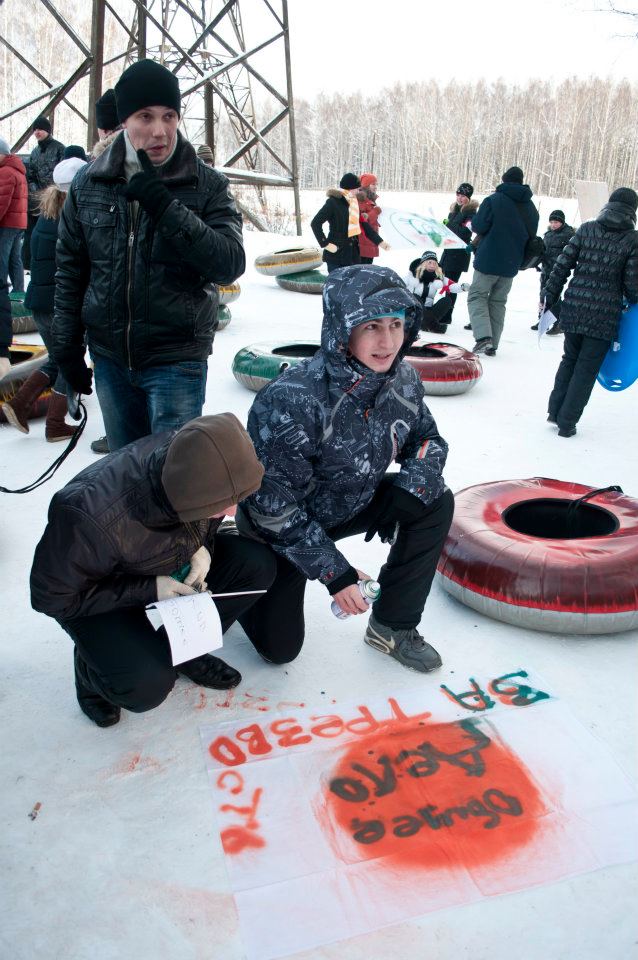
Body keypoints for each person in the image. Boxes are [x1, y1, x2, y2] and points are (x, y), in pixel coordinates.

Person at [237, 265, 454, 673]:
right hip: (280, 530)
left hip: (348, 502)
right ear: (342, 327)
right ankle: (237, 566)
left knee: (434, 499)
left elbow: (427, 438)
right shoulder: (292, 399)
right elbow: (273, 507)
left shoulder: (402, 380)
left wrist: (411, 488)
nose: (388, 341)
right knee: (278, 650)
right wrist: (335, 573)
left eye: (396, 323)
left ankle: (392, 626)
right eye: (371, 325)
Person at [30, 413, 276, 728]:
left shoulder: (198, 452)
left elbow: (208, 514)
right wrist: (149, 589)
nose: (231, 512)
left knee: (255, 566)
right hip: (102, 591)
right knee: (146, 687)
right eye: (221, 504)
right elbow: (50, 598)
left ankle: (185, 651)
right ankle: (91, 674)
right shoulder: (84, 516)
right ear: (184, 497)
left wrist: (203, 548)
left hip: (165, 559)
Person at [51, 59, 245, 451]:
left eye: (169, 116)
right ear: (124, 120)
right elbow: (71, 272)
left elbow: (228, 263)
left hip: (176, 362)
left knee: (175, 482)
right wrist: (66, 350)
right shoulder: (90, 183)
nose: (160, 130)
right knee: (125, 477)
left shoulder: (205, 184)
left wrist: (165, 207)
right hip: (109, 361)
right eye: (145, 116)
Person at [542, 188, 638, 437]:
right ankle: (567, 422)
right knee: (586, 369)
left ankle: (555, 412)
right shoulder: (633, 239)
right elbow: (632, 285)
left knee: (569, 360)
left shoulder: (586, 229)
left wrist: (550, 296)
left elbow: (562, 265)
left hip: (574, 308)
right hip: (604, 315)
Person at [2, 158, 85, 440]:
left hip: (39, 301)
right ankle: (55, 423)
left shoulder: (47, 215)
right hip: (59, 305)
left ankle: (19, 403)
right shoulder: (71, 219)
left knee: (57, 359)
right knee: (69, 358)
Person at [467, 166, 539, 355]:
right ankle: (493, 343)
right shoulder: (531, 207)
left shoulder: (493, 200)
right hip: (511, 263)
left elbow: (479, 225)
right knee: (498, 302)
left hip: (488, 260)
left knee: (477, 296)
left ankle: (483, 338)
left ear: (504, 180)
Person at [0, 136, 27, 379]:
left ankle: (9, 290)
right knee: (14, 259)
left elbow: (2, 200)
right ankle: (17, 290)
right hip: (16, 221)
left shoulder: (7, 172)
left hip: (7, 222)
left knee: (4, 260)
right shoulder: (16, 169)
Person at [23, 117, 65, 270]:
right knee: (35, 233)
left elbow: (63, 173)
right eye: (35, 130)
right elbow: (31, 175)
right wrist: (36, 193)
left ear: (47, 130)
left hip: (56, 197)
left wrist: (54, 192)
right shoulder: (34, 152)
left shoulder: (60, 148)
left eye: (40, 129)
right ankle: (29, 264)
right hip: (38, 198)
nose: (37, 132)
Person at [531, 209, 574, 334]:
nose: (553, 225)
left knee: (553, 296)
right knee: (543, 295)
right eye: (552, 222)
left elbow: (569, 254)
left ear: (562, 222)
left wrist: (558, 263)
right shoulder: (548, 234)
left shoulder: (568, 235)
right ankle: (543, 320)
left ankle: (559, 322)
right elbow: (544, 251)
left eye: (556, 222)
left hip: (558, 270)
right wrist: (537, 261)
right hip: (546, 269)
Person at [439, 182, 477, 325]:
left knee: (452, 285)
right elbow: (450, 230)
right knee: (444, 283)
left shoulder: (471, 213)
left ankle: (446, 315)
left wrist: (448, 224)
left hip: (459, 254)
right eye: (458, 195)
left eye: (463, 196)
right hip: (448, 252)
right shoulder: (454, 210)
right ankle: (442, 312)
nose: (460, 198)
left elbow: (465, 233)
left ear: (469, 198)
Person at [404, 250, 470, 333]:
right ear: (423, 263)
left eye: (434, 263)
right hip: (413, 310)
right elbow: (399, 284)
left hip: (429, 310)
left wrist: (462, 287)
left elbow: (451, 285)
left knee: (447, 300)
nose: (432, 265)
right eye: (430, 262)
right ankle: (433, 326)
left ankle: (424, 323)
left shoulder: (438, 277)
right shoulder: (412, 275)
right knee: (414, 297)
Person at [311, 173, 365, 272]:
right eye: (357, 188)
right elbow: (315, 223)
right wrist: (325, 243)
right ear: (350, 188)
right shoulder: (333, 202)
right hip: (337, 255)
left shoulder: (353, 203)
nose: (358, 191)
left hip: (352, 256)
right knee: (337, 286)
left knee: (351, 286)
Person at [357, 173, 390, 264]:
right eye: (373, 184)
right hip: (364, 244)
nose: (375, 187)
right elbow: (362, 220)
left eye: (376, 184)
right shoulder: (360, 200)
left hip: (370, 242)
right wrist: (375, 212)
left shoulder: (370, 200)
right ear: (366, 185)